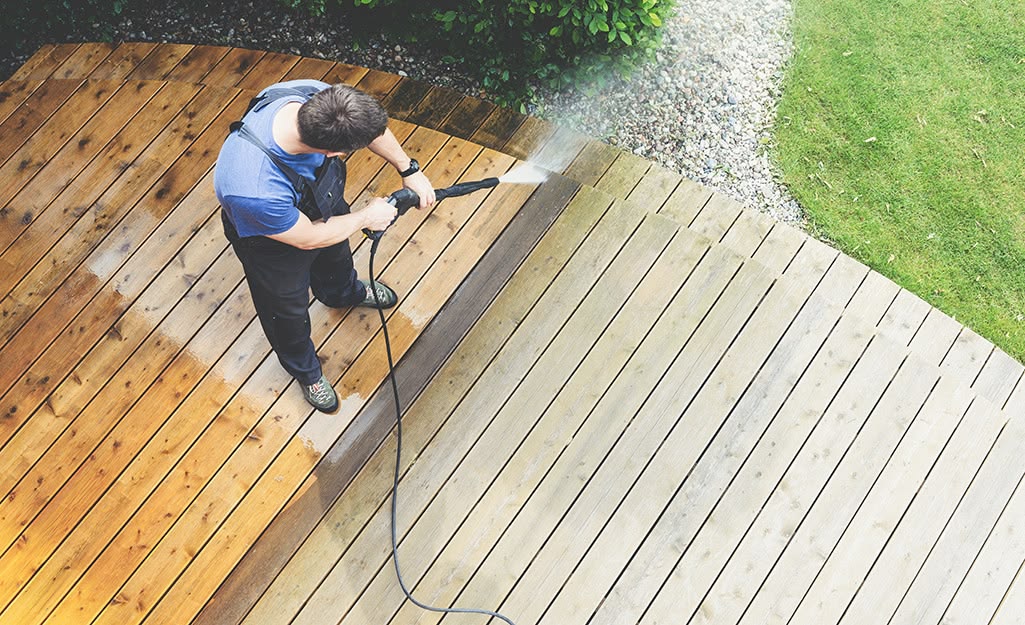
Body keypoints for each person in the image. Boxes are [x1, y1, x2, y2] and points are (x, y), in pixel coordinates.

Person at [213, 79, 435, 413]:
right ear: (333, 153)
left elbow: (371, 129)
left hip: (320, 203)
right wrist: (366, 217)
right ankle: (307, 371)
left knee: (337, 259)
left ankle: (343, 293)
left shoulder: (317, 99)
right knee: (285, 310)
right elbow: (308, 238)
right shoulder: (251, 186)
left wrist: (409, 168)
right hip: (271, 241)